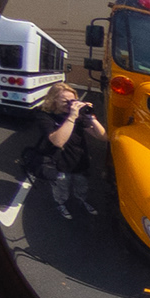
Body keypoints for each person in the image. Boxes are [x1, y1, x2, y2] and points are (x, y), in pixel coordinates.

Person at [35, 82, 108, 220]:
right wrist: (72, 117)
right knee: (61, 189)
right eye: (65, 101)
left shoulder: (76, 115)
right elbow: (58, 141)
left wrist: (90, 116)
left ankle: (82, 199)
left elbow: (102, 137)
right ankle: (61, 203)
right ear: (53, 101)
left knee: (82, 186)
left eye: (72, 101)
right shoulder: (45, 116)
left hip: (79, 160)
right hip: (58, 163)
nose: (70, 105)